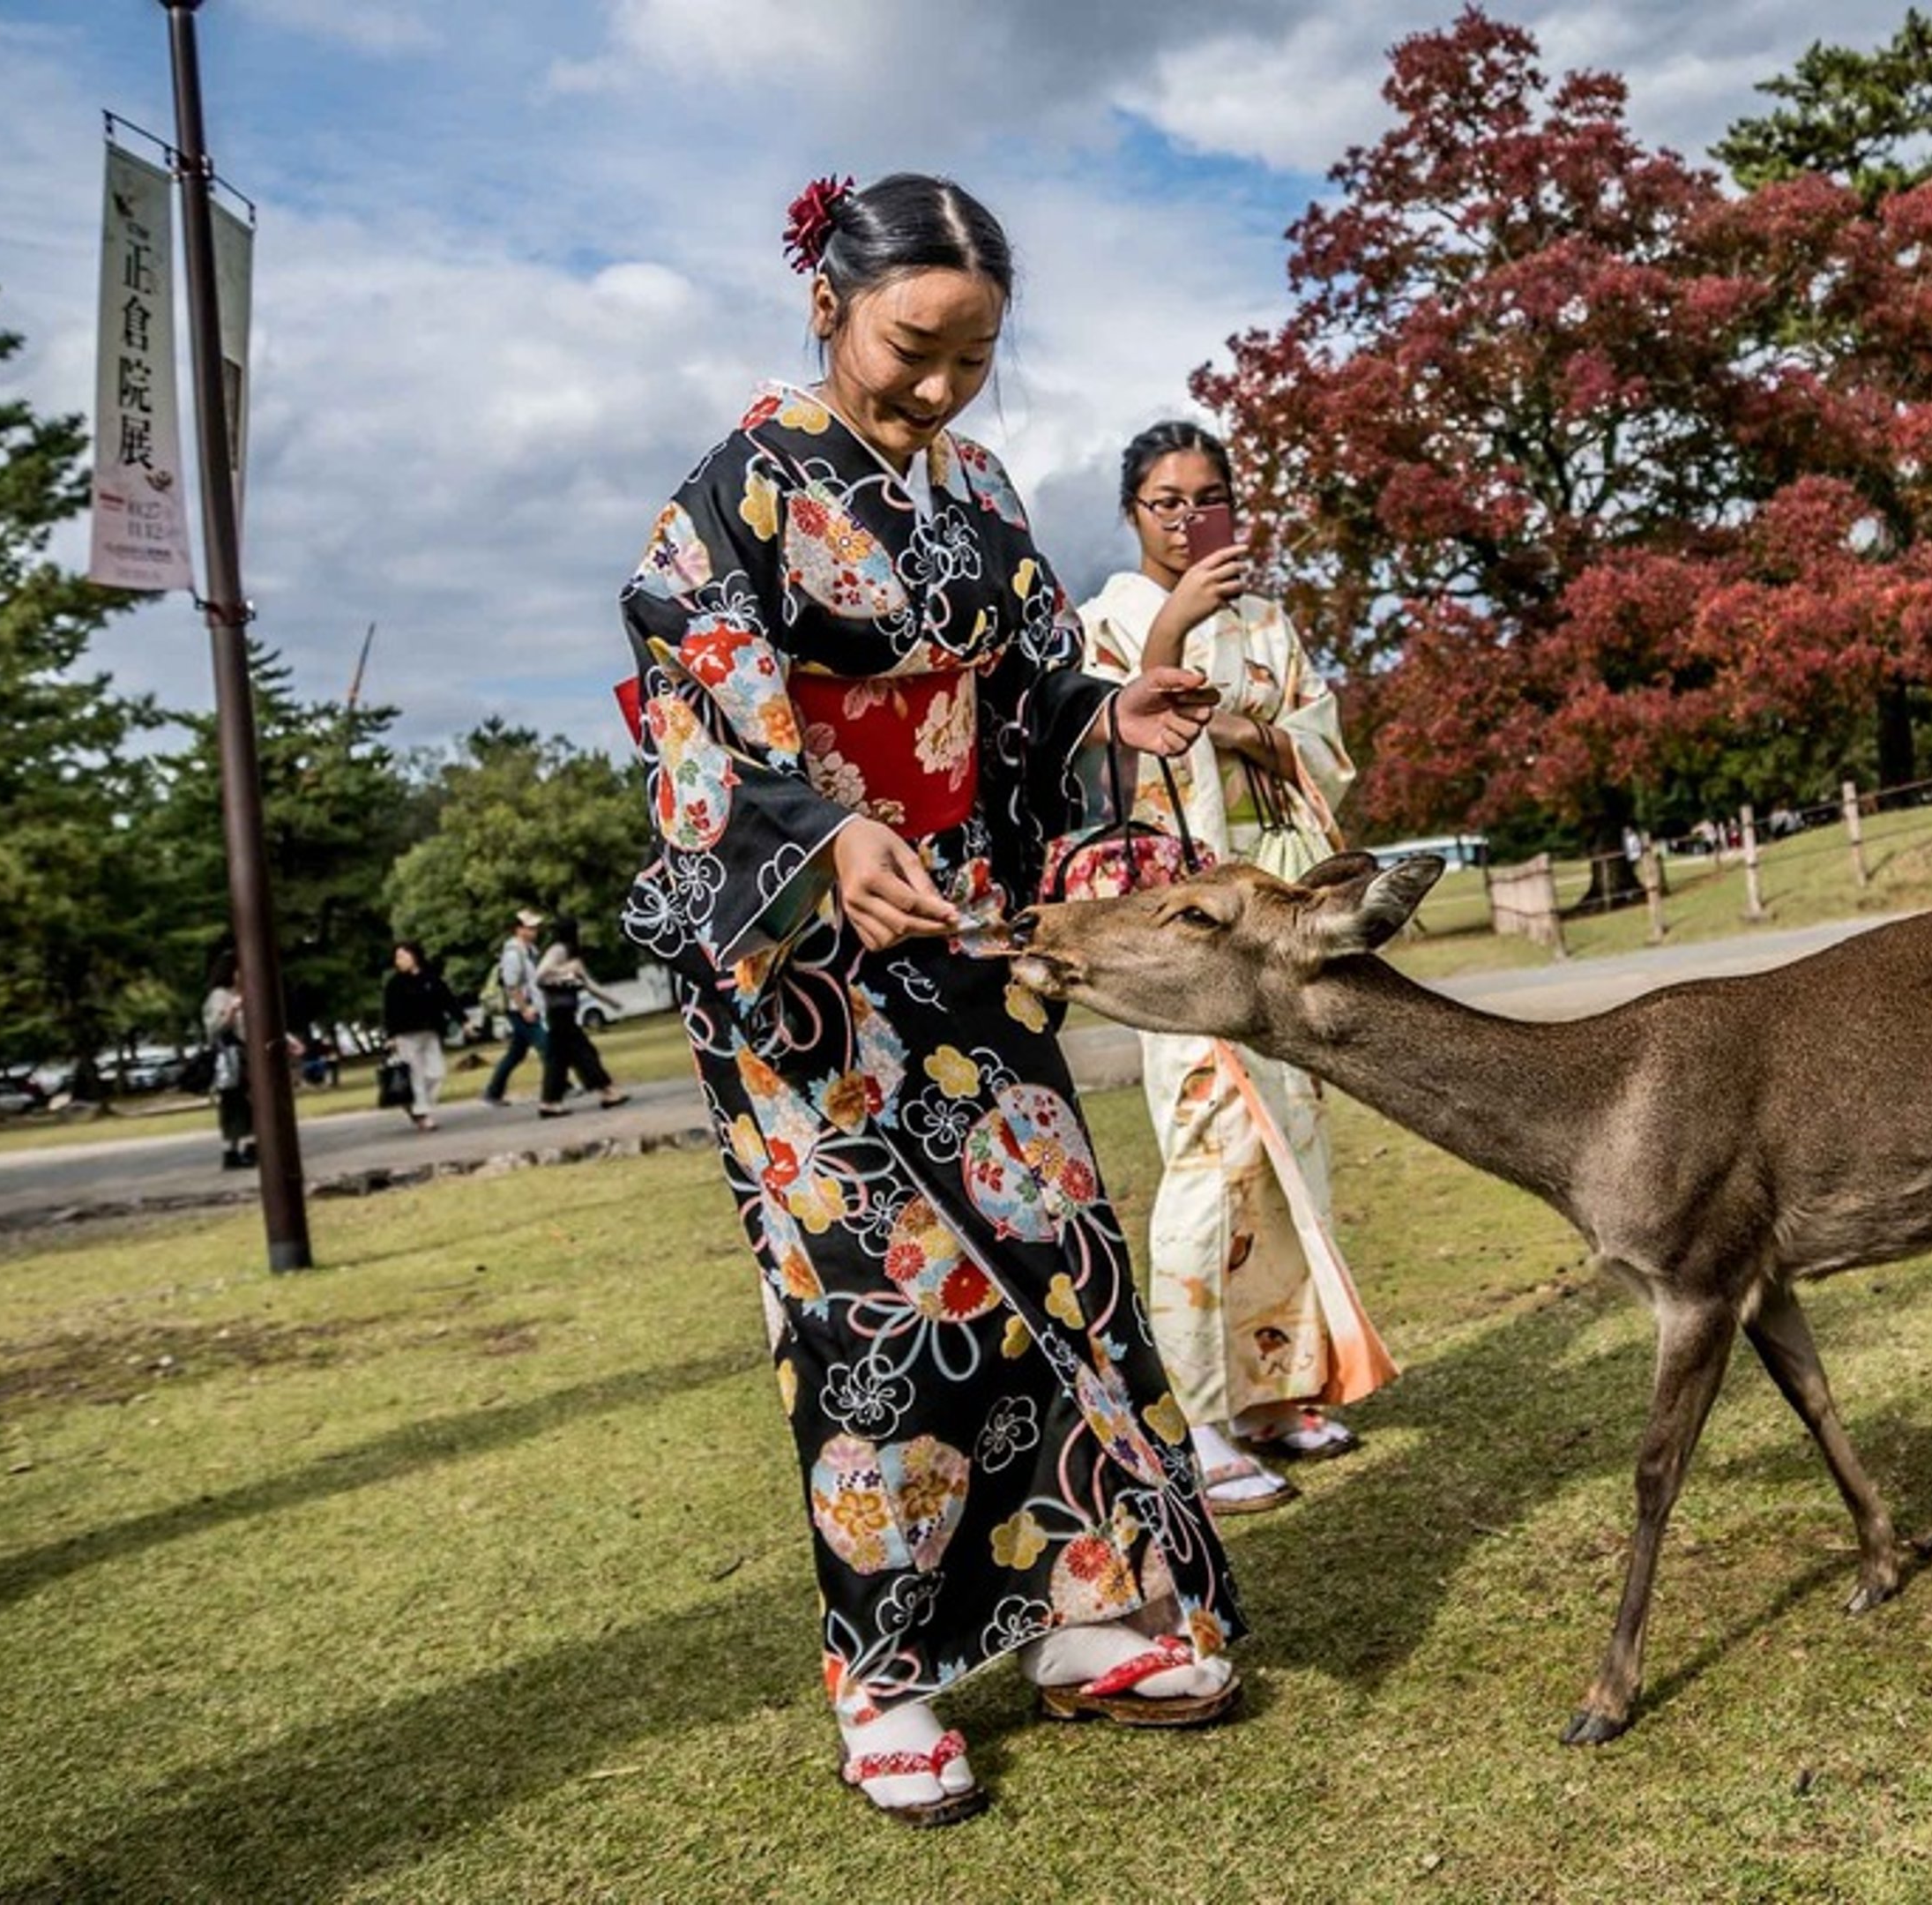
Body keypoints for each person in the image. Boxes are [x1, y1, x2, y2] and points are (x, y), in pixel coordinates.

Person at [615, 170, 1239, 1827]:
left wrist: (1118, 713)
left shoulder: (975, 486)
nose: (943, 388)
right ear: (829, 303)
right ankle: (883, 1681)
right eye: (915, 348)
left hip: (958, 920)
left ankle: (1088, 1611)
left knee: (1058, 1251)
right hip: (801, 965)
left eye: (974, 358)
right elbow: (696, 705)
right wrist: (824, 826)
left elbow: (1031, 690)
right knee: (876, 1307)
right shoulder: (736, 491)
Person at [1075, 421, 1394, 1515]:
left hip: (1282, 923)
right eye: (1165, 501)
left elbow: (1320, 744)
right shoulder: (1109, 619)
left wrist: (1257, 731)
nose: (1186, 517)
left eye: (1208, 497)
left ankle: (1275, 1389)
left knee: (1293, 1144)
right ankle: (1194, 1418)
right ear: (1133, 510)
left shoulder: (1270, 624)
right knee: (1209, 1153)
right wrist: (1176, 631)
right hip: (1187, 937)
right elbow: (1108, 752)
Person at [532, 916, 629, 1118]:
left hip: (563, 1013)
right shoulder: (559, 950)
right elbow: (541, 974)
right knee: (584, 1053)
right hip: (559, 1013)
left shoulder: (571, 954)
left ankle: (550, 1102)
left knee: (557, 1060)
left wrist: (613, 1002)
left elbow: (588, 983)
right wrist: (568, 971)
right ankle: (607, 1092)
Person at [380, 941, 458, 1132]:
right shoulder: (395, 984)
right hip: (405, 1035)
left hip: (430, 1032)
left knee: (437, 1072)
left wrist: (464, 1021)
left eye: (403, 956)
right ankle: (423, 1114)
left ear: (415, 956)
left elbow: (448, 1001)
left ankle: (418, 1107)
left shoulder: (431, 978)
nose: (399, 961)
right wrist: (390, 1036)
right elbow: (389, 1012)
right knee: (416, 1075)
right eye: (397, 957)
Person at [481, 910, 548, 1107]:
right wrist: (524, 1008)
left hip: (529, 1006)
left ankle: (493, 1091)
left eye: (535, 927)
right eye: (530, 927)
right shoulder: (513, 952)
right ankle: (561, 1085)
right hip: (519, 1009)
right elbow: (511, 985)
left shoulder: (530, 950)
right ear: (519, 929)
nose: (534, 930)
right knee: (547, 1046)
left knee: (516, 1053)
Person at [201, 946, 254, 1169]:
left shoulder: (241, 994)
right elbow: (214, 1029)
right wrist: (231, 1012)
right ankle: (232, 1151)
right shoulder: (220, 996)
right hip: (231, 1059)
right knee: (234, 1105)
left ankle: (249, 1146)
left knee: (249, 1104)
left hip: (246, 1056)